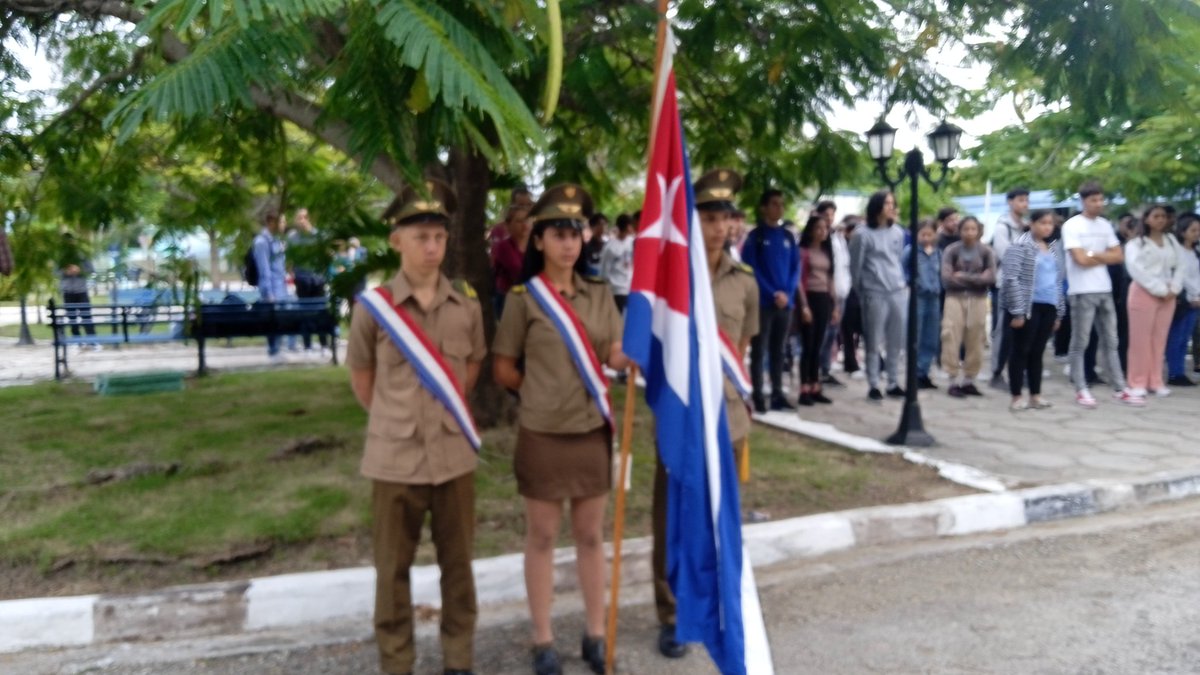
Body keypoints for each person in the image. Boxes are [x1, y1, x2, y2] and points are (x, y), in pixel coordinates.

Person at [346, 179, 484, 675]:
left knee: (458, 567)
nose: (432, 247)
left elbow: (470, 373)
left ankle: (458, 659)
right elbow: (363, 381)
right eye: (421, 236)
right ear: (396, 240)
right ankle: (397, 663)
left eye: (439, 237)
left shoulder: (466, 306)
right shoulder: (373, 309)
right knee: (392, 572)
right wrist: (396, 419)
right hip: (395, 461)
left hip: (453, 459)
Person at [492, 184, 628, 675]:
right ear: (539, 241)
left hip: (591, 431)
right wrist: (539, 393)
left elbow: (612, 352)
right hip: (543, 433)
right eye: (557, 234)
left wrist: (634, 353)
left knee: (590, 536)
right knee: (543, 536)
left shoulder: (599, 294)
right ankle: (543, 639)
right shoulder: (523, 299)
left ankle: (595, 633)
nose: (569, 243)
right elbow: (504, 368)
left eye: (575, 233)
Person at [650, 169, 758, 660]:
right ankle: (671, 612)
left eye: (724, 218)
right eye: (708, 218)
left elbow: (741, 348)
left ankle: (717, 601)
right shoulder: (671, 277)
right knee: (671, 514)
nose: (718, 228)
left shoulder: (745, 282)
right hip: (681, 417)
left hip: (726, 418)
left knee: (721, 514)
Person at [1061, 181, 1142, 408]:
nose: (1098, 204)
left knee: (1111, 341)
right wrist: (1100, 255)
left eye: (1100, 199)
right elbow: (1080, 259)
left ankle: (1120, 387)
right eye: (1093, 200)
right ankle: (1081, 388)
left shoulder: (1105, 225)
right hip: (1081, 290)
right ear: (1083, 201)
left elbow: (1118, 256)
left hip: (1104, 288)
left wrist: (1092, 254)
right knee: (1081, 341)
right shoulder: (1072, 225)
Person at [741, 188, 800, 412]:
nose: (779, 208)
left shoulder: (788, 237)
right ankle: (758, 394)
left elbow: (795, 268)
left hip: (785, 304)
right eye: (774, 204)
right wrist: (772, 293)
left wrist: (787, 293)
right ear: (764, 208)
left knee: (779, 350)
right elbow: (751, 269)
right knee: (760, 349)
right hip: (764, 303)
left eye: (781, 204)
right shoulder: (756, 237)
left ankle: (777, 393)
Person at [1002, 210, 1065, 411]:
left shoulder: (1052, 248)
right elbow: (1011, 278)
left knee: (1038, 352)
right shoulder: (1020, 245)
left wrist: (1059, 312)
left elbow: (1057, 281)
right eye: (1042, 223)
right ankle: (1016, 395)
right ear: (1032, 223)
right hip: (1028, 305)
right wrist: (1017, 311)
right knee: (1020, 350)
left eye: (1050, 223)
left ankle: (1035, 395)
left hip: (1048, 304)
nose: (1047, 227)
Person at [849, 190, 906, 401]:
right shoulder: (862, 234)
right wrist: (862, 290)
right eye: (886, 203)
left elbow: (896, 259)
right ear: (877, 206)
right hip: (874, 292)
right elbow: (855, 266)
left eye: (893, 203)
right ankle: (873, 383)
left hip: (897, 290)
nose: (891, 207)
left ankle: (893, 382)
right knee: (873, 340)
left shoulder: (898, 232)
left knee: (895, 340)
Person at [1124, 204, 1185, 398]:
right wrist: (1159, 289)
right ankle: (1137, 381)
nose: (1160, 220)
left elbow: (1181, 265)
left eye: (1163, 216)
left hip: (1169, 294)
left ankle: (1156, 380)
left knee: (1159, 339)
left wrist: (1174, 288)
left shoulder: (1171, 240)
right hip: (1144, 292)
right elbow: (1136, 270)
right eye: (1156, 216)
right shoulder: (1136, 244)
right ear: (1146, 219)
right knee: (1140, 340)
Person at [941, 216, 996, 397]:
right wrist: (977, 278)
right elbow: (947, 278)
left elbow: (990, 278)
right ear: (960, 230)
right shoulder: (952, 250)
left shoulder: (986, 251)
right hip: (955, 297)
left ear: (979, 231)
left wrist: (963, 276)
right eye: (966, 229)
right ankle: (952, 378)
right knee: (951, 334)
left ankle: (969, 379)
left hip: (978, 299)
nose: (970, 233)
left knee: (976, 337)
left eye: (973, 229)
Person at [989, 188, 1031, 390]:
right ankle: (996, 372)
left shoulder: (1027, 227)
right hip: (1005, 285)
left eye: (1027, 200)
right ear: (1010, 202)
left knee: (1023, 332)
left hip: (1025, 285)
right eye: (1021, 200)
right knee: (1003, 331)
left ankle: (1017, 371)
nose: (1025, 204)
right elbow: (1005, 254)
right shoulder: (1002, 226)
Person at [796, 215, 838, 405]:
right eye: (818, 228)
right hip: (809, 297)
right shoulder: (803, 252)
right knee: (808, 344)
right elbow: (798, 280)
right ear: (811, 230)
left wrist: (834, 304)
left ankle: (815, 385)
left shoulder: (826, 251)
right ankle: (804, 387)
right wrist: (804, 305)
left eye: (825, 228)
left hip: (824, 299)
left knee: (819, 345)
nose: (822, 232)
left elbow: (830, 279)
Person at [288, 207, 330, 357]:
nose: (302, 221)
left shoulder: (319, 236)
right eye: (299, 218)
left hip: (317, 280)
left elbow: (326, 255)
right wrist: (292, 273)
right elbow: (289, 259)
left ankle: (324, 345)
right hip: (302, 279)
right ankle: (307, 346)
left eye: (304, 217)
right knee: (305, 313)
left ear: (309, 219)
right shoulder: (292, 238)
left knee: (320, 312)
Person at [905, 220, 942, 390]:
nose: (926, 238)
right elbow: (902, 270)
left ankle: (924, 372)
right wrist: (912, 283)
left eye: (930, 234)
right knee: (916, 335)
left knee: (931, 336)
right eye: (923, 234)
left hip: (934, 297)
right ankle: (913, 372)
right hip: (918, 297)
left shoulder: (938, 253)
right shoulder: (911, 251)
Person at [1166, 213, 1200, 386]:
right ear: (1182, 232)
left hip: (1196, 299)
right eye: (1193, 230)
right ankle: (1174, 372)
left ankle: (1179, 371)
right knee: (1176, 337)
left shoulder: (1195, 252)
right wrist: (1192, 295)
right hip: (1183, 299)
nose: (1197, 234)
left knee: (1185, 337)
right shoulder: (1176, 252)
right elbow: (1181, 277)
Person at [253, 208, 289, 362]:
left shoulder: (277, 240)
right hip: (272, 289)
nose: (284, 224)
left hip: (281, 287)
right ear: (271, 222)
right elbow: (264, 269)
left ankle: (278, 349)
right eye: (281, 221)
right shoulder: (261, 242)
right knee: (272, 320)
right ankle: (273, 350)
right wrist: (268, 293)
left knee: (280, 320)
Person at [489, 203, 532, 318]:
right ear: (508, 225)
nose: (525, 225)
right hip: (507, 298)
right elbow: (517, 271)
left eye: (527, 220)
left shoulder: (534, 246)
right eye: (519, 221)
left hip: (530, 296)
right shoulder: (504, 246)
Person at [58, 234, 98, 350]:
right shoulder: (61, 257)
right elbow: (56, 272)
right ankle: (77, 341)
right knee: (72, 318)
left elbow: (91, 270)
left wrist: (79, 270)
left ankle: (92, 341)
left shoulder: (82, 255)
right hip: (67, 291)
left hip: (81, 290)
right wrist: (66, 272)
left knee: (86, 316)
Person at [598, 213, 636, 311]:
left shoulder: (632, 242)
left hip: (630, 287)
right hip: (616, 290)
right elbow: (604, 269)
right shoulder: (610, 247)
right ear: (628, 227)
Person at [581, 212, 609, 277]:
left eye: (604, 224)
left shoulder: (608, 246)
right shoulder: (586, 247)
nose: (602, 227)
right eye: (600, 224)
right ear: (592, 227)